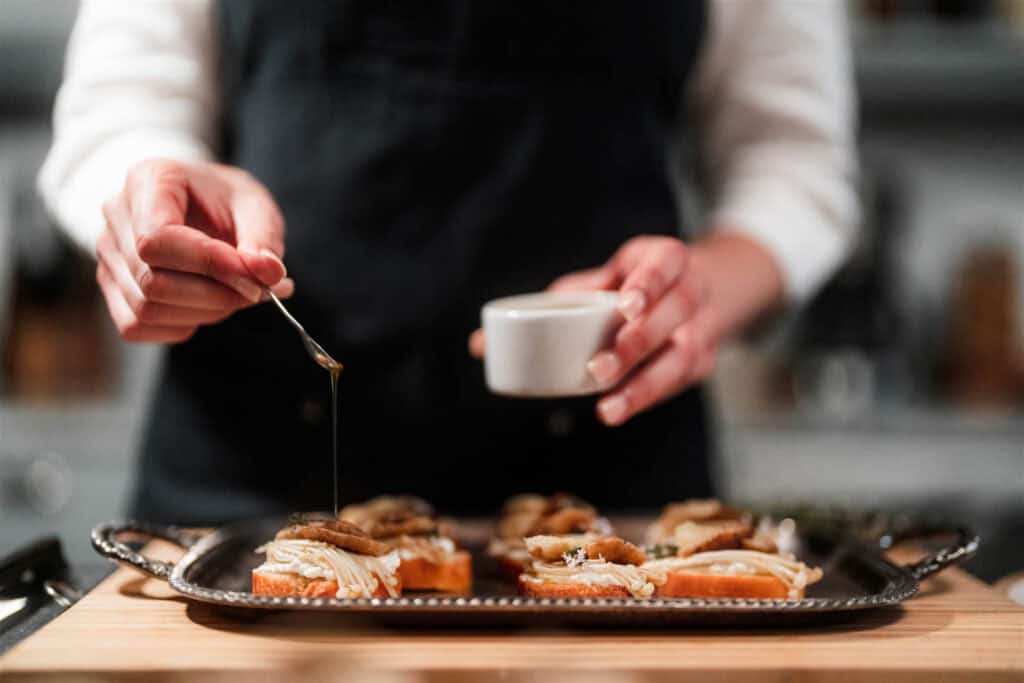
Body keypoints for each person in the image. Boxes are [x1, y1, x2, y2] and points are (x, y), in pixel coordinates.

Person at [39, 1, 858, 523]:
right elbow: (122, 103)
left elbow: (794, 158)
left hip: (610, 491)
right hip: (249, 486)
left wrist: (706, 285)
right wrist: (157, 199)